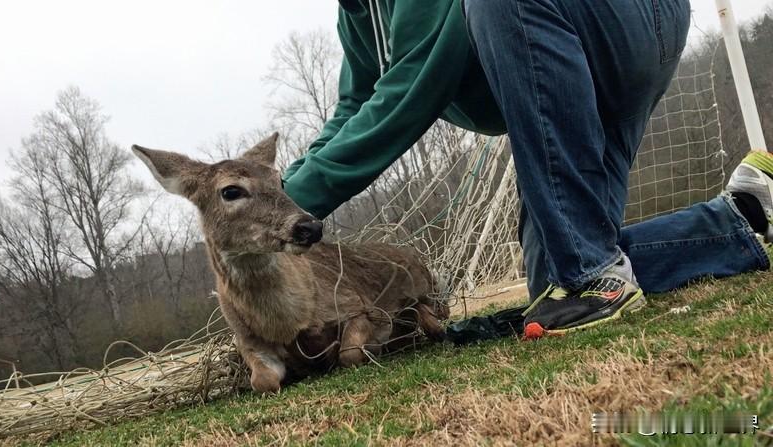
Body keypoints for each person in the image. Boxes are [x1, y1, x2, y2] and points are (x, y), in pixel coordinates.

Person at [282, 0, 771, 338]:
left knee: (582, 267)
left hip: (623, 18)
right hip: (581, 58)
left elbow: (411, 86)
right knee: (554, 283)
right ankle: (744, 219)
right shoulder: (358, 14)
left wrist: (288, 204)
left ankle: (595, 275)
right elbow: (354, 104)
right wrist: (277, 191)